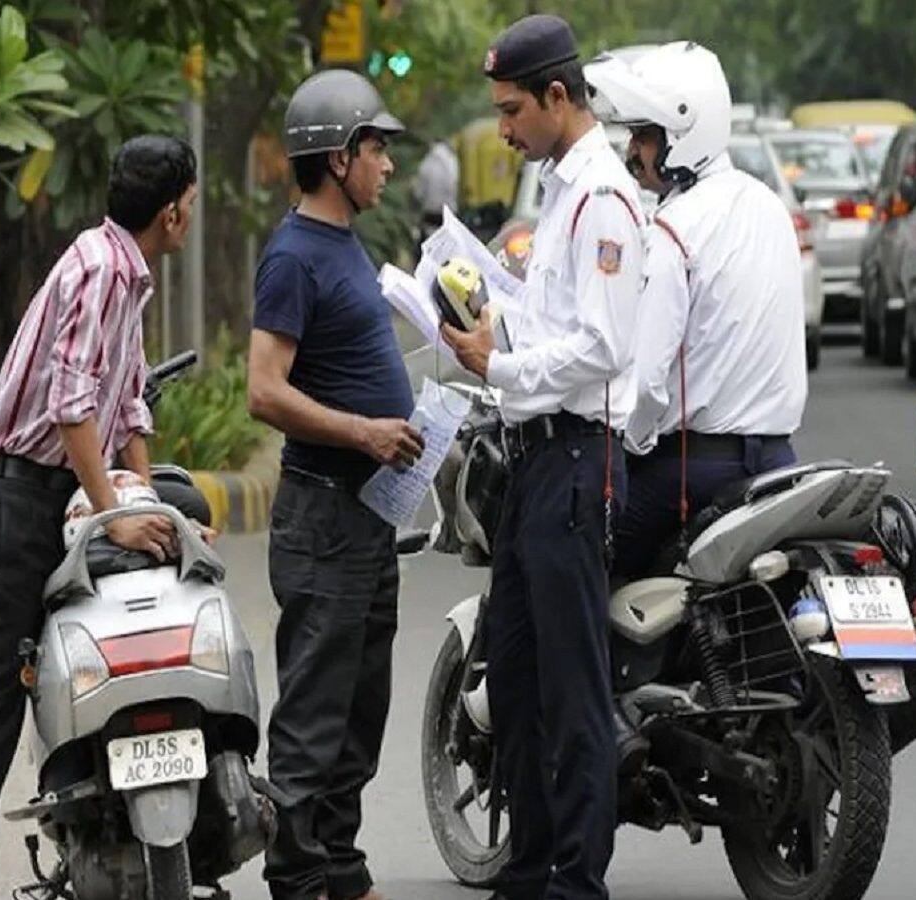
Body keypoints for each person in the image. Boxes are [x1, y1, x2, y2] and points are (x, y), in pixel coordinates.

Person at [0, 134, 200, 900]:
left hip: (58, 497)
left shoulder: (125, 274)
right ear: (172, 214)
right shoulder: (102, 270)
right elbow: (72, 407)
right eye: (191, 203)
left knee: (84, 668)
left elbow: (126, 404)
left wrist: (148, 505)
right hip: (24, 504)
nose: (191, 215)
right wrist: (114, 519)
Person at [440, 14, 644, 900]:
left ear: (558, 96)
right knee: (515, 678)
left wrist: (499, 363)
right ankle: (525, 870)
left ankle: (577, 881)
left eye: (511, 109)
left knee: (571, 688)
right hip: (532, 460)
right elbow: (554, 319)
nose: (503, 129)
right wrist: (492, 319)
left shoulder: (604, 199)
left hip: (575, 462)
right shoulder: (562, 193)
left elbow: (603, 346)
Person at [245, 69, 421, 900]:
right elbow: (264, 391)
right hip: (322, 517)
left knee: (360, 706)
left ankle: (340, 866)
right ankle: (299, 877)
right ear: (338, 157)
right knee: (316, 711)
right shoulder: (292, 257)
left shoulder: (345, 245)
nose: (387, 165)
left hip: (366, 518)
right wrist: (364, 432)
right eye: (376, 149)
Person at [586, 42, 808, 582]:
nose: (632, 152)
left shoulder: (675, 229)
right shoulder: (769, 206)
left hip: (691, 471)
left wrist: (627, 441)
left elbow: (647, 380)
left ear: (681, 134)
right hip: (779, 463)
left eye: (643, 136)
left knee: (582, 565)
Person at [413, 137, 459, 240]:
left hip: (431, 212)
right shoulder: (452, 161)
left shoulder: (426, 163)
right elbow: (454, 184)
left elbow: (419, 192)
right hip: (449, 211)